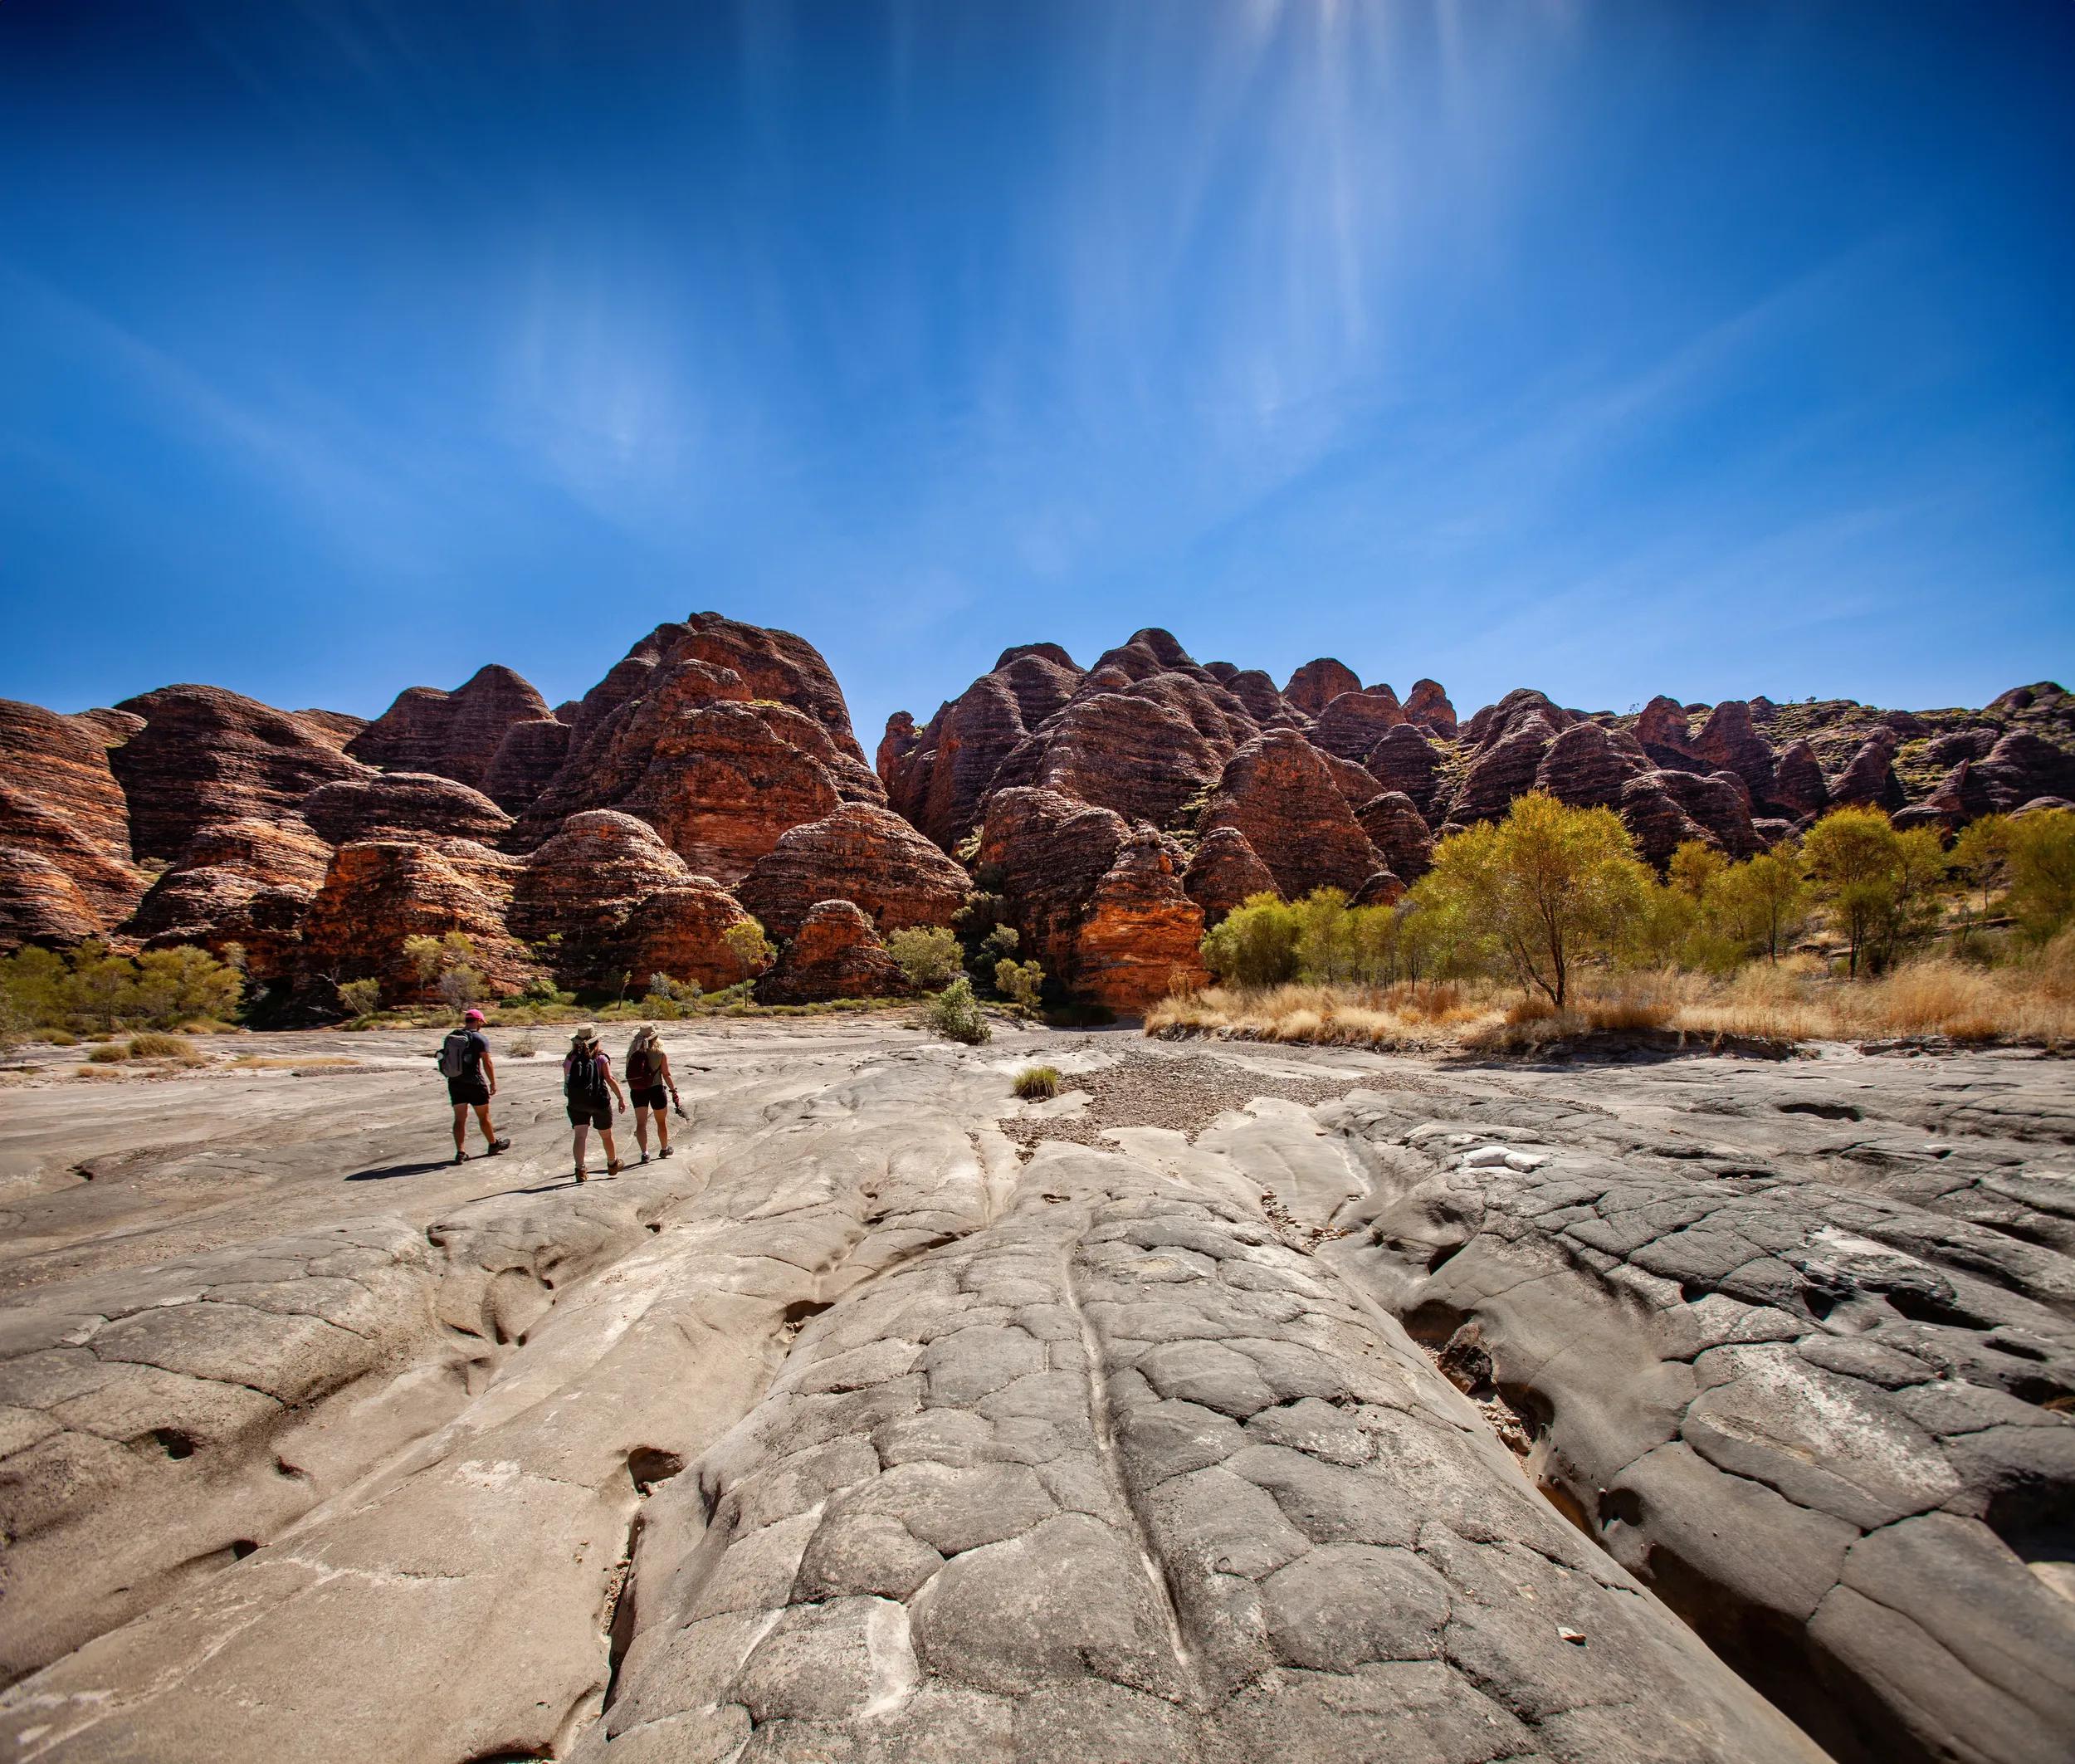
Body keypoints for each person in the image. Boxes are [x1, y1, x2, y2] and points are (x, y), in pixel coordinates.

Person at [438, 1008, 509, 1165]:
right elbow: (487, 1062)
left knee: (459, 1119)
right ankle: (493, 1144)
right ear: (478, 1022)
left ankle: (461, 1152)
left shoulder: (452, 1036)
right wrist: (493, 1082)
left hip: (455, 1083)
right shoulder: (479, 1038)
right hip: (475, 1083)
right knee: (483, 1117)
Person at [562, 1024, 626, 1182]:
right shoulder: (601, 1057)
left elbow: (567, 1082)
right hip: (599, 1101)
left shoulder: (570, 1058)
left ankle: (580, 1169)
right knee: (606, 1135)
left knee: (580, 1136)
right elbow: (609, 1079)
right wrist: (620, 1097)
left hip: (577, 1102)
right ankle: (612, 1164)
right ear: (596, 1040)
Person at [624, 1025, 681, 1163]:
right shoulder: (660, 1053)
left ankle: (645, 1153)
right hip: (656, 1089)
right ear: (655, 1037)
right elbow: (666, 1074)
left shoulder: (632, 1052)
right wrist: (673, 1091)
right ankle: (664, 1148)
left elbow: (629, 1072)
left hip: (638, 1090)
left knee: (641, 1123)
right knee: (661, 1122)